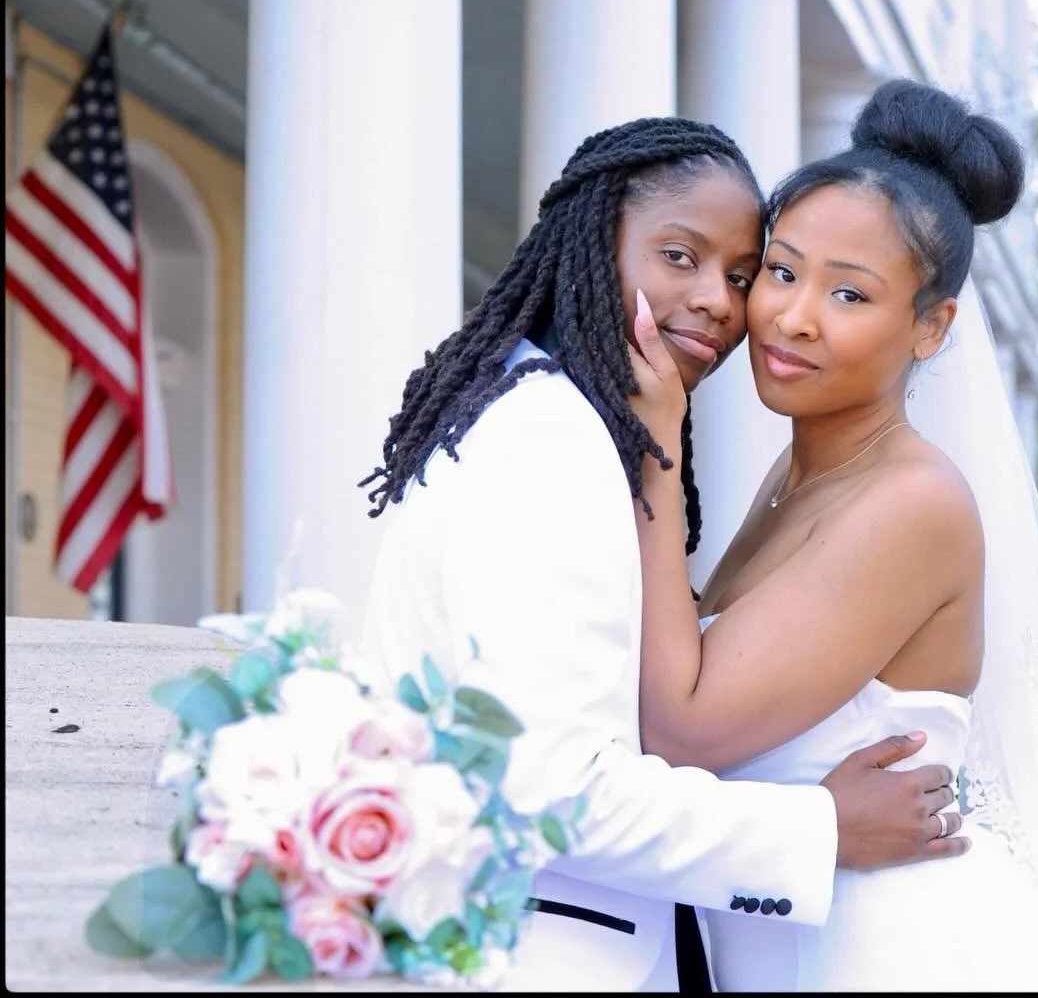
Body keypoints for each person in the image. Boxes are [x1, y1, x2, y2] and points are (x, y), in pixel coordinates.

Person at [356, 115, 970, 993]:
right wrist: (818, 828)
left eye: (740, 273)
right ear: (591, 238)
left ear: (928, 325)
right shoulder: (554, 433)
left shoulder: (559, 418)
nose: (730, 304)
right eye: (680, 257)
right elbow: (563, 779)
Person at [625, 81, 1038, 991]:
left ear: (930, 327)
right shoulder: (799, 479)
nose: (793, 316)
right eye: (783, 272)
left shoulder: (914, 504)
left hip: (883, 953)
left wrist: (652, 447)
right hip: (789, 940)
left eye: (849, 293)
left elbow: (680, 728)